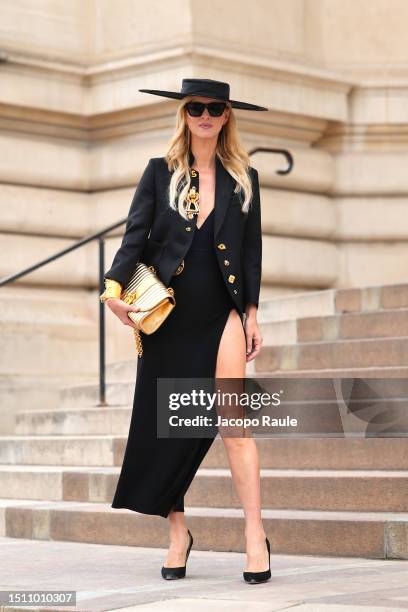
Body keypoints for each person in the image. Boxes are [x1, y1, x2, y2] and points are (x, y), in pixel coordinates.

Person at [100, 78, 270, 583]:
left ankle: (254, 536)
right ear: (184, 113)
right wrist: (112, 288)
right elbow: (135, 237)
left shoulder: (245, 179)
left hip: (223, 312)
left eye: (214, 108)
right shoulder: (160, 173)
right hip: (168, 316)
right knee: (170, 426)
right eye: (195, 107)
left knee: (234, 424)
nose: (204, 115)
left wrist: (253, 312)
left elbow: (252, 253)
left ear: (226, 116)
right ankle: (178, 534)